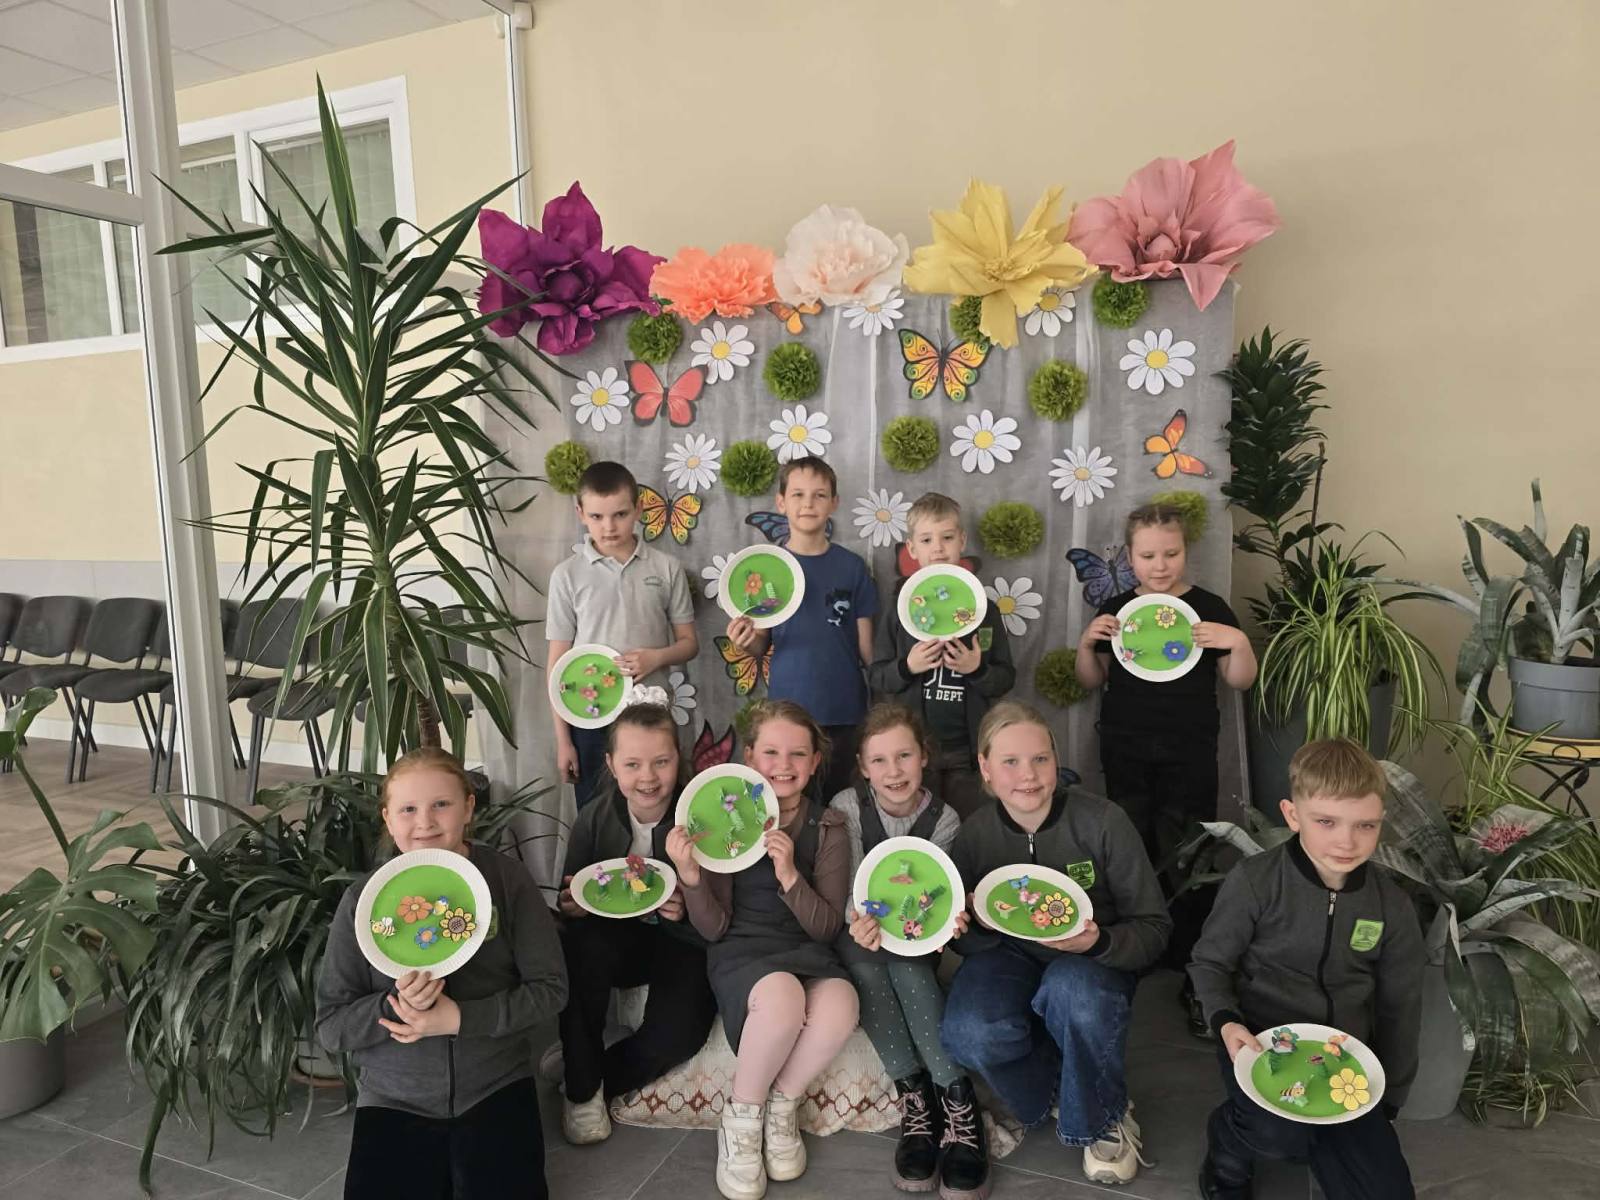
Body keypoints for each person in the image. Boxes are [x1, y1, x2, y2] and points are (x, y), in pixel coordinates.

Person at [316, 748, 567, 1200]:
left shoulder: (507, 881)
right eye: (408, 809)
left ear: (468, 807)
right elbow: (331, 1026)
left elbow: (551, 990)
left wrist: (459, 1019)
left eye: (441, 804)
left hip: (495, 1084)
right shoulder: (363, 902)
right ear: (388, 818)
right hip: (394, 1096)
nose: (425, 822)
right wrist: (395, 1008)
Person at [940, 702, 1171, 1187]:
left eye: (1040, 759)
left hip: (1090, 962)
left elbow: (1153, 927)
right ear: (985, 767)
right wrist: (967, 925)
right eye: (1010, 761)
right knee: (968, 1031)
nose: (1028, 775)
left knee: (1075, 994)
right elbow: (965, 941)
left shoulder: (1103, 821)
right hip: (1008, 956)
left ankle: (1103, 1114)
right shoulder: (976, 834)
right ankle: (1058, 1090)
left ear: (1056, 759)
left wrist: (1099, 942)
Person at [1189, 738, 1423, 1200]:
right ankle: (1228, 1148)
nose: (1347, 841)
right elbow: (1209, 963)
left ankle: (1322, 1139)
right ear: (1293, 815)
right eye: (1326, 822)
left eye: (1366, 825)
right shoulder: (1255, 881)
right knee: (1279, 1136)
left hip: (1345, 1061)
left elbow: (1401, 1004)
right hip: (1258, 1042)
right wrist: (1226, 1021)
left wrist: (1391, 1095)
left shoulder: (1392, 905)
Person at [1075, 501, 1256, 1033]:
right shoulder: (1116, 607)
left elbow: (1240, 680)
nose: (1160, 565)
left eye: (1170, 554)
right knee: (1129, 848)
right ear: (1129, 557)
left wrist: (1238, 642)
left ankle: (1193, 964)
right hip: (1125, 748)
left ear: (1185, 552)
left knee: (1190, 851)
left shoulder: (1209, 607)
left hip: (1190, 751)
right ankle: (1135, 951)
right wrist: (1087, 641)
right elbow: (1090, 679)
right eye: (1148, 555)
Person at [668, 699, 859, 1200]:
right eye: (771, 752)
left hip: (806, 949)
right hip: (742, 951)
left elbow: (824, 929)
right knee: (781, 997)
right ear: (750, 756)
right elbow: (713, 929)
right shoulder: (722, 819)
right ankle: (742, 1115)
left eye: (798, 754)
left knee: (841, 1003)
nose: (784, 765)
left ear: (815, 762)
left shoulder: (829, 825)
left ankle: (781, 1105)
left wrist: (790, 875)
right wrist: (690, 876)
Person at [830, 702, 988, 1196]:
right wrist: (858, 921)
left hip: (917, 936)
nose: (893, 771)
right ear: (862, 766)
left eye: (904, 756)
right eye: (879, 760)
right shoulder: (847, 807)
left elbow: (941, 893)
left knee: (910, 971)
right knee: (866, 969)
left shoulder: (945, 819)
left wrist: (949, 920)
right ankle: (916, 1103)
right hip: (861, 930)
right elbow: (849, 888)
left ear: (924, 757)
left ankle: (958, 1102)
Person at [555, 695, 717, 1145]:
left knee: (679, 1035)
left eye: (661, 762)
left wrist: (687, 907)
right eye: (632, 764)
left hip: (682, 942)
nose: (648, 777)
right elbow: (570, 896)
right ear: (610, 765)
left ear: (678, 759)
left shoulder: (702, 820)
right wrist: (573, 905)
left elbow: (722, 910)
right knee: (580, 952)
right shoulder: (593, 819)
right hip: (613, 941)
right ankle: (582, 1094)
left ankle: (587, 1073)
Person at [548, 460, 697, 808]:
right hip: (589, 717)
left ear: (638, 510)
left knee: (657, 806)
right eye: (597, 516)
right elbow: (557, 665)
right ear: (580, 513)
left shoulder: (666, 568)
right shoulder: (567, 575)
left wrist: (657, 657)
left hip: (651, 713)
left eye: (620, 514)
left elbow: (690, 643)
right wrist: (563, 740)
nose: (609, 526)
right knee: (596, 810)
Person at [724, 456, 876, 797]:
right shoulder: (766, 569)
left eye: (819, 495)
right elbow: (760, 644)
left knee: (843, 802)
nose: (808, 503)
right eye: (798, 494)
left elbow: (868, 650)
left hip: (845, 709)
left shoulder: (852, 567)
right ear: (781, 502)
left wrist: (885, 691)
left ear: (834, 503)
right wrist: (744, 640)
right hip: (788, 713)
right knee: (791, 802)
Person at [868, 492, 1015, 818]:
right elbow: (877, 675)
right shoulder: (899, 609)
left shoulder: (984, 610)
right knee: (920, 825)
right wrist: (908, 667)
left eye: (947, 537)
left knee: (970, 825)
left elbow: (1005, 678)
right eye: (926, 540)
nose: (938, 548)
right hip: (913, 753)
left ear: (962, 541)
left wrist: (977, 669)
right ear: (912, 549)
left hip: (967, 752)